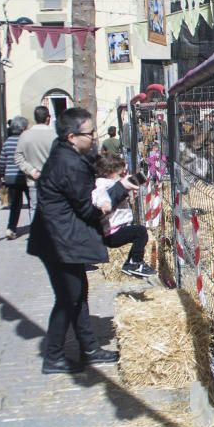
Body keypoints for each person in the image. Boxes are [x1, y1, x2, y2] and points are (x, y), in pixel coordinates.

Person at [27, 108, 139, 374]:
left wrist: (118, 188)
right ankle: (53, 357)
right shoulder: (69, 164)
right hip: (60, 241)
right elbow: (88, 209)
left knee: (77, 294)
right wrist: (120, 190)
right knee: (68, 298)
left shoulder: (68, 156)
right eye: (89, 133)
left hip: (61, 238)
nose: (94, 137)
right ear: (71, 136)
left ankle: (89, 349)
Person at [92, 154, 155, 278]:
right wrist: (104, 203)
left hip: (116, 229)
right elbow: (98, 195)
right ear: (110, 172)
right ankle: (134, 263)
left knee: (139, 233)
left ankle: (132, 263)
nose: (123, 177)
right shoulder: (103, 184)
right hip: (112, 233)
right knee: (140, 231)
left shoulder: (112, 184)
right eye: (121, 174)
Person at [0, 116, 29, 239]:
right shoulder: (25, 141)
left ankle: (11, 229)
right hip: (25, 177)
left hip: (11, 178)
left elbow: (1, 161)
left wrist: (2, 175)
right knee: (33, 204)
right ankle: (36, 227)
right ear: (22, 128)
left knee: (15, 205)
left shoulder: (7, 142)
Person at [15, 105, 55, 188]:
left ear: (35, 118)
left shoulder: (24, 135)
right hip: (52, 180)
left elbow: (18, 157)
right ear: (48, 118)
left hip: (33, 180)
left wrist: (31, 170)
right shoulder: (55, 135)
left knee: (34, 201)